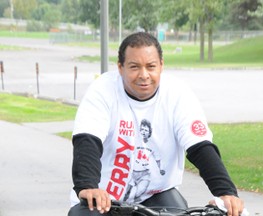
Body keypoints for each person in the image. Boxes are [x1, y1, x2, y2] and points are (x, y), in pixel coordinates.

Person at [68, 32, 244, 216]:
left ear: (161, 65)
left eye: (151, 66)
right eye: (134, 67)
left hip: (157, 195)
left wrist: (226, 193)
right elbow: (87, 140)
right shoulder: (103, 90)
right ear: (120, 68)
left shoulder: (177, 94)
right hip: (104, 199)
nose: (144, 75)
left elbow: (200, 147)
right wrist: (88, 186)